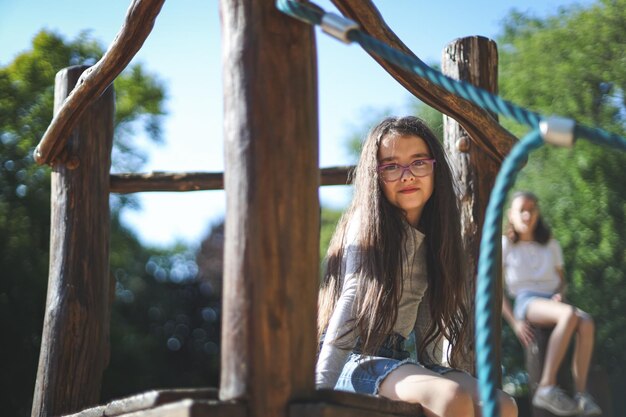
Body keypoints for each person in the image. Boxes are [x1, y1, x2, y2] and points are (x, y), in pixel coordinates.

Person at [316, 116, 517, 417]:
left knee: (502, 405)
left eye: (419, 162)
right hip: (350, 358)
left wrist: (439, 370)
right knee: (449, 397)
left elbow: (428, 320)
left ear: (435, 168)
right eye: (392, 166)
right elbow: (351, 298)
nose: (407, 175)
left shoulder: (438, 235)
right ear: (376, 176)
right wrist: (319, 388)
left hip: (397, 358)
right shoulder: (367, 224)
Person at [501, 191, 601, 416]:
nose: (527, 215)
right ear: (511, 215)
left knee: (586, 322)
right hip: (527, 301)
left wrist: (559, 295)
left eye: (532, 209)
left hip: (552, 301)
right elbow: (495, 290)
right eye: (522, 210)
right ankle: (546, 386)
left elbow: (561, 282)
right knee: (569, 315)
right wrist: (515, 322)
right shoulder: (506, 245)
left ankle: (581, 394)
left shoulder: (550, 244)